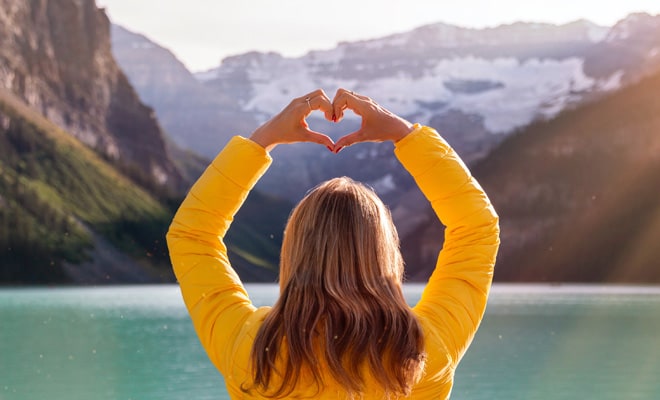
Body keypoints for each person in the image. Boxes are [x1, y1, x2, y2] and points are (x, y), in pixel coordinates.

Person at [166, 88, 500, 399]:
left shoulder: (251, 349)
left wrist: (263, 140)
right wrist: (405, 135)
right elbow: (476, 228)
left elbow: (193, 234)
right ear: (384, 253)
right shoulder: (424, 351)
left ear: (295, 250)